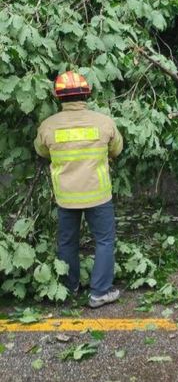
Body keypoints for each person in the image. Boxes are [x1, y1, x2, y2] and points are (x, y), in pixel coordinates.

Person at [34, 71, 123, 307]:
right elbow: (116, 150)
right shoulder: (104, 123)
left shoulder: (48, 126)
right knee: (104, 241)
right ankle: (100, 292)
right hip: (98, 195)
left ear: (58, 96)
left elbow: (41, 151)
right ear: (87, 93)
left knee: (67, 243)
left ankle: (69, 286)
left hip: (67, 197)